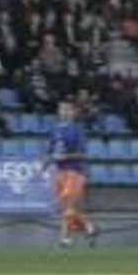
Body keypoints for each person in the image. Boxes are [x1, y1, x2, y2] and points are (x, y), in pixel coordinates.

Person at [48, 100, 98, 247]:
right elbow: (50, 151)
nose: (63, 112)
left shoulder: (77, 129)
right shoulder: (54, 129)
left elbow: (82, 154)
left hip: (75, 171)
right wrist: (44, 165)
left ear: (72, 113)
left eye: (66, 109)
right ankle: (89, 227)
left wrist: (65, 157)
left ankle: (65, 239)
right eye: (61, 109)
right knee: (66, 209)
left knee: (69, 207)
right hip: (60, 172)